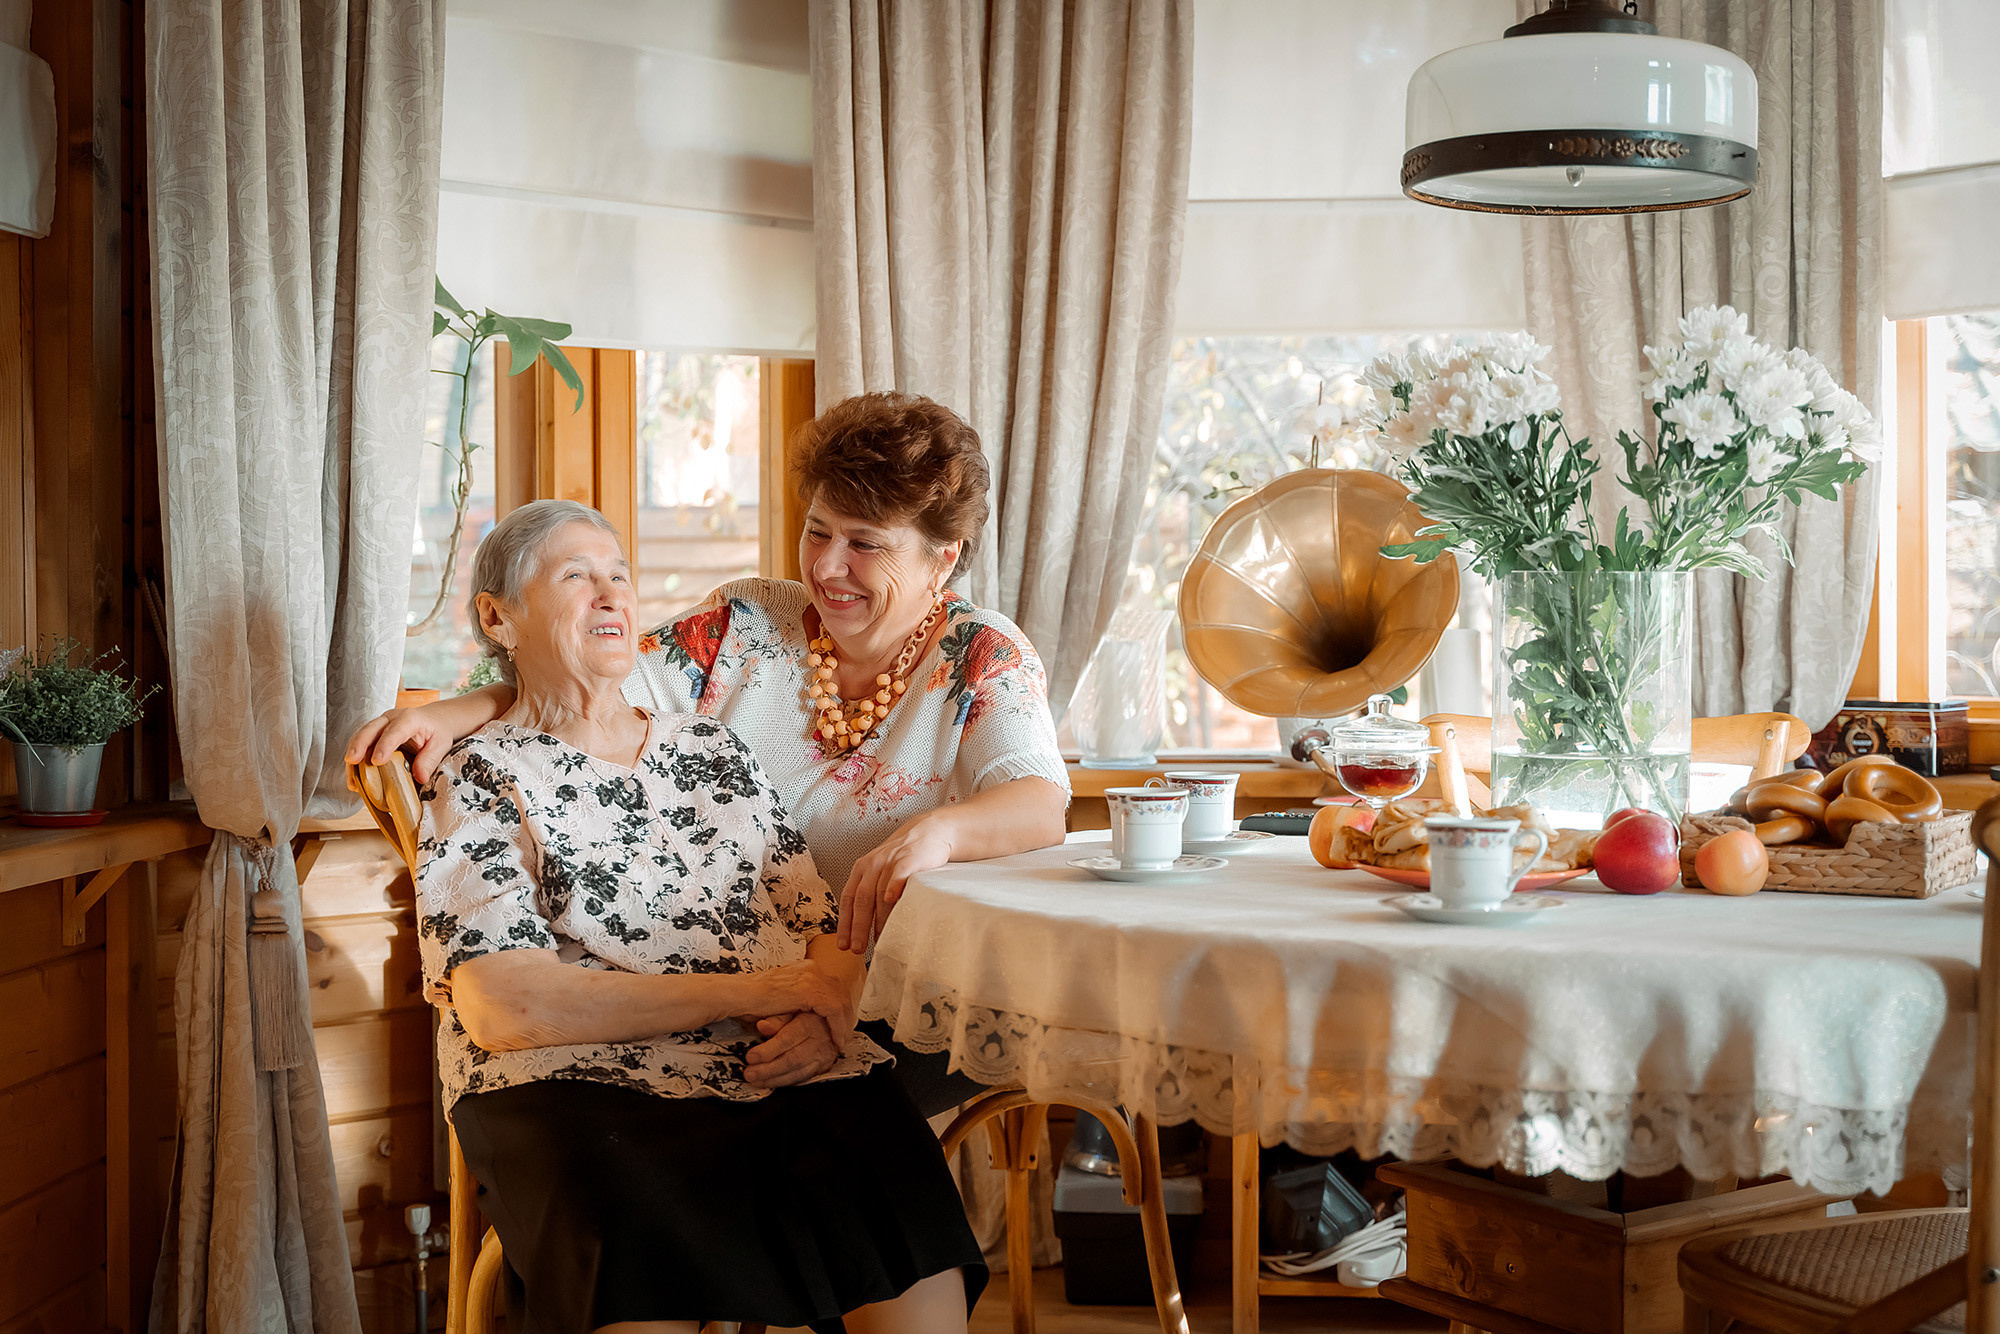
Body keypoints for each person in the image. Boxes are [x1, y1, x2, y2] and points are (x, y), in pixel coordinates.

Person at [356, 391, 1071, 1113]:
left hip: (907, 988)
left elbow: (1040, 803)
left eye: (866, 544)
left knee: (830, 1134)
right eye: (818, 531)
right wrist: (462, 709)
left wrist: (933, 834)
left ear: (941, 559)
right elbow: (584, 680)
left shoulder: (980, 655)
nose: (828, 567)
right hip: (748, 989)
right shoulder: (749, 623)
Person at [418, 499, 984, 1333]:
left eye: (619, 575)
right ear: (498, 618)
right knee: (633, 1247)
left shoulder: (709, 750)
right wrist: (765, 990)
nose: (610, 594)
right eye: (576, 576)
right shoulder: (479, 774)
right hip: (579, 1087)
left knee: (900, 1214)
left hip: (771, 1064)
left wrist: (826, 1015)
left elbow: (820, 928)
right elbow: (510, 1006)